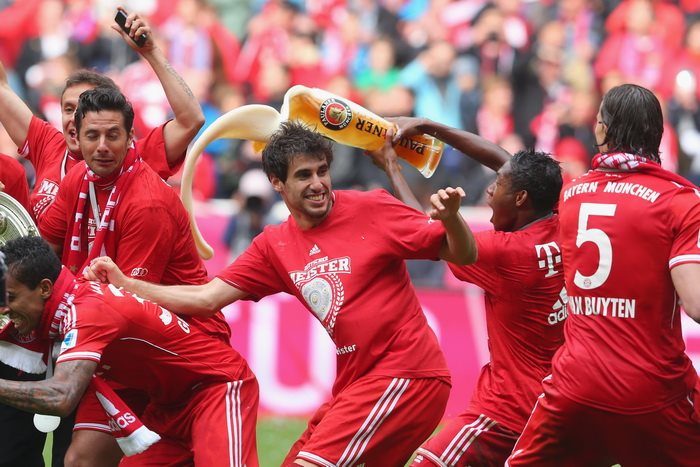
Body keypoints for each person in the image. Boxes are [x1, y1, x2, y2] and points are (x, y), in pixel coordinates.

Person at [86, 121, 478, 466]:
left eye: (322, 171)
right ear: (278, 183)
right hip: (355, 386)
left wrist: (452, 219)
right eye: (304, 175)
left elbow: (462, 253)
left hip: (406, 375)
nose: (318, 184)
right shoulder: (274, 245)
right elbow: (207, 299)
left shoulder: (371, 207)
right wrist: (128, 285)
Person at [507, 83, 700, 466]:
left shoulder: (571, 194)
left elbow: (517, 175)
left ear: (601, 129)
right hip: (652, 389)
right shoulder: (680, 201)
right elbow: (695, 304)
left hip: (574, 384)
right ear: (658, 134)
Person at [38, 86, 232, 466]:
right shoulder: (77, 180)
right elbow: (45, 252)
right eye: (93, 135)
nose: (102, 146)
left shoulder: (148, 203)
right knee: (81, 461)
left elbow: (126, 303)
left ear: (131, 138)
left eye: (113, 135)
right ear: (76, 137)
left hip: (179, 347)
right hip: (124, 343)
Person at [371, 117, 566, 466]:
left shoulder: (506, 253)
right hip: (558, 407)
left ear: (521, 198)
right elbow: (506, 163)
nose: (489, 190)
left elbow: (425, 236)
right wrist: (428, 126)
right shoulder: (563, 218)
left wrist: (391, 166)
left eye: (498, 185)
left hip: (506, 412)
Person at [0, 235, 259, 466]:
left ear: (45, 288)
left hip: (216, 388)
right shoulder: (72, 303)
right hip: (169, 406)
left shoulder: (86, 313)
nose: (4, 308)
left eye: (11, 297)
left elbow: (62, 396)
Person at [0, 8, 204, 221]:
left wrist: (151, 52)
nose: (75, 118)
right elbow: (2, 88)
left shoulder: (132, 158)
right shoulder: (50, 145)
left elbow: (190, 121)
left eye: (84, 108)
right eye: (68, 109)